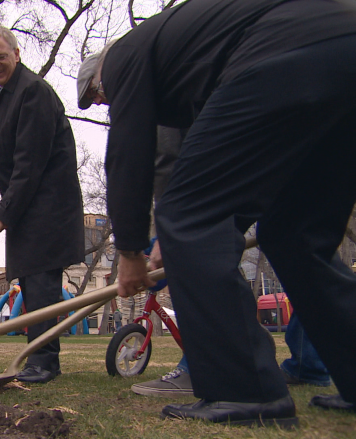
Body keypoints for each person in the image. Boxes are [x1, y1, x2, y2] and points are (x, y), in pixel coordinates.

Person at [85, 0, 356, 426]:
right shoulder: (193, 60)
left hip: (284, 53)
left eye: (99, 97)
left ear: (102, 75)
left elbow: (129, 153)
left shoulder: (125, 54)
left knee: (190, 216)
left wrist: (133, 250)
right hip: (342, 48)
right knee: (295, 235)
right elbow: (213, 165)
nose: (106, 104)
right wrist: (169, 241)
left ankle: (244, 391)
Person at [0, 26, 84, 384]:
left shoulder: (33, 92)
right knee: (30, 280)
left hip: (47, 206)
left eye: (1, 57)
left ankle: (43, 362)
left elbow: (30, 162)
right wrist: (9, 208)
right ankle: (37, 356)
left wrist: (5, 210)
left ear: (17, 54)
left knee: (41, 284)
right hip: (27, 206)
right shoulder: (3, 95)